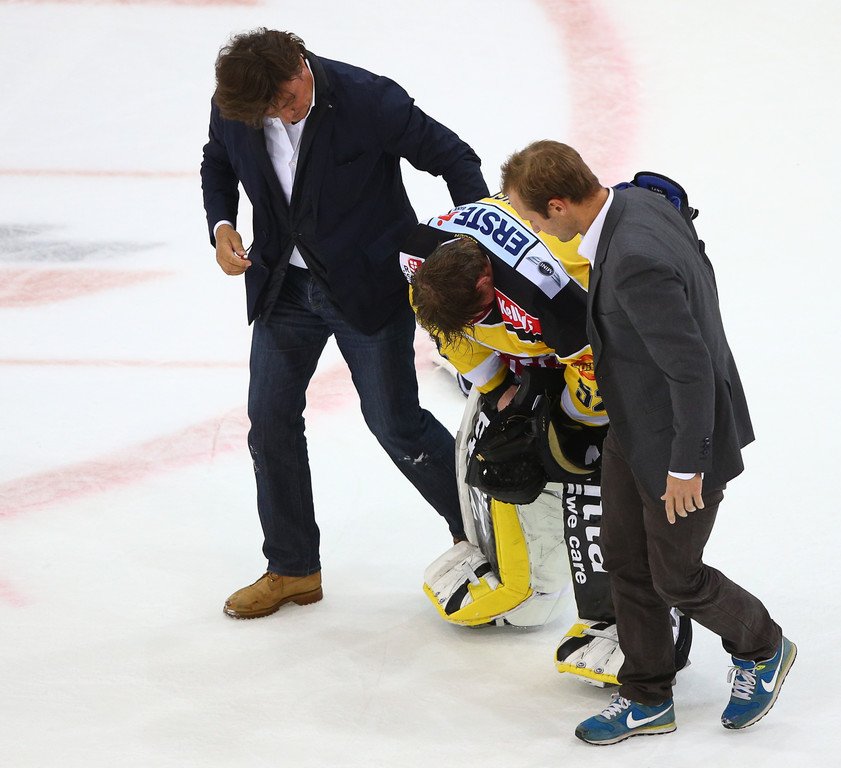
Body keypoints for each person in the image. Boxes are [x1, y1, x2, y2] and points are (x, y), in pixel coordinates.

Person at [500, 140, 795, 744]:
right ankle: (647, 695)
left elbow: (689, 369)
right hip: (633, 427)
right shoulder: (637, 201)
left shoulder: (634, 259)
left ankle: (763, 645)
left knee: (677, 577)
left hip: (680, 443)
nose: (535, 231)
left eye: (533, 218)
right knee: (626, 562)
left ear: (558, 205)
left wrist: (687, 466)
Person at [200, 28, 489, 620]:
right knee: (269, 424)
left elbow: (456, 159)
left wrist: (475, 249)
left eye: (287, 100)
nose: (281, 115)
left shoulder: (368, 98)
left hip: (367, 286)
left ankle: (490, 537)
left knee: (396, 425)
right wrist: (222, 224)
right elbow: (218, 161)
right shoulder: (240, 102)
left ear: (301, 65)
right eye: (268, 111)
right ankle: (293, 568)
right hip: (283, 287)